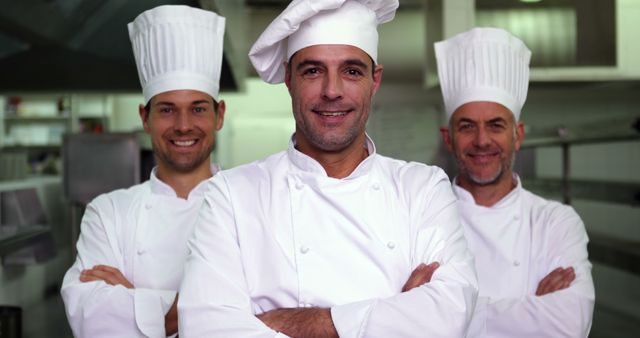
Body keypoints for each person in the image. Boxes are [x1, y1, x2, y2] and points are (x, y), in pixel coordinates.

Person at [178, 1, 478, 337]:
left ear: (374, 80)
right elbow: (206, 329)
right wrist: (396, 314)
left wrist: (298, 323)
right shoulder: (231, 195)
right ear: (289, 79)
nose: (332, 91)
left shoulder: (422, 188)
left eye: (351, 71)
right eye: (313, 71)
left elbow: (449, 314)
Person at [60, 5, 226, 338]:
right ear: (145, 117)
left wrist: (134, 303)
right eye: (167, 109)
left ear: (219, 115)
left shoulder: (250, 203)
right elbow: (91, 321)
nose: (183, 126)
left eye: (197, 109)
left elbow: (268, 316)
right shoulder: (108, 212)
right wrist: (216, 310)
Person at [435, 27, 595, 337]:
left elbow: (570, 323)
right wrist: (530, 309)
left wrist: (447, 313)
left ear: (517, 135)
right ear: (449, 139)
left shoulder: (555, 221)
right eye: (467, 126)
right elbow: (404, 324)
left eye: (495, 125)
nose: (482, 141)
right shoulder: (424, 217)